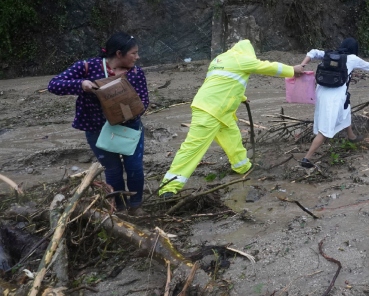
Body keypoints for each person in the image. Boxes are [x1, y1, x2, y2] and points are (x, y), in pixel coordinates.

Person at [159, 39, 304, 197]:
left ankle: (242, 167)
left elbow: (224, 82)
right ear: (248, 52)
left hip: (217, 109)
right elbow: (266, 67)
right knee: (192, 149)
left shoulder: (220, 59)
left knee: (233, 139)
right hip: (211, 110)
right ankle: (168, 187)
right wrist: (292, 70)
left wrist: (241, 97)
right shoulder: (241, 59)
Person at [48, 32, 149, 215]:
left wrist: (128, 110)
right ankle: (119, 207)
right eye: (133, 53)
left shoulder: (136, 73)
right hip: (97, 128)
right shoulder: (88, 67)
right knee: (113, 169)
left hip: (129, 127)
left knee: (134, 167)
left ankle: (136, 205)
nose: (137, 57)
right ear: (119, 53)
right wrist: (81, 84)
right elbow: (54, 84)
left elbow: (144, 102)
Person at [298, 38, 369, 168]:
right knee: (325, 129)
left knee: (345, 111)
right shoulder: (352, 58)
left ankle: (351, 136)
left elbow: (312, 52)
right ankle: (307, 158)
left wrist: (302, 65)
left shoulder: (329, 54)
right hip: (334, 97)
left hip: (321, 93)